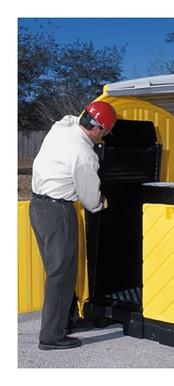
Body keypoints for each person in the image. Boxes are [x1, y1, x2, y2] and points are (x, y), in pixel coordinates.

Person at [29, 101, 117, 350]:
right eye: (105, 132)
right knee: (62, 274)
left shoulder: (60, 128)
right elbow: (90, 201)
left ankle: (68, 320)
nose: (104, 137)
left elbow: (69, 118)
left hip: (37, 207)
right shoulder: (85, 155)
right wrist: (105, 203)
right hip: (59, 212)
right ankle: (51, 336)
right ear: (97, 128)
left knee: (56, 270)